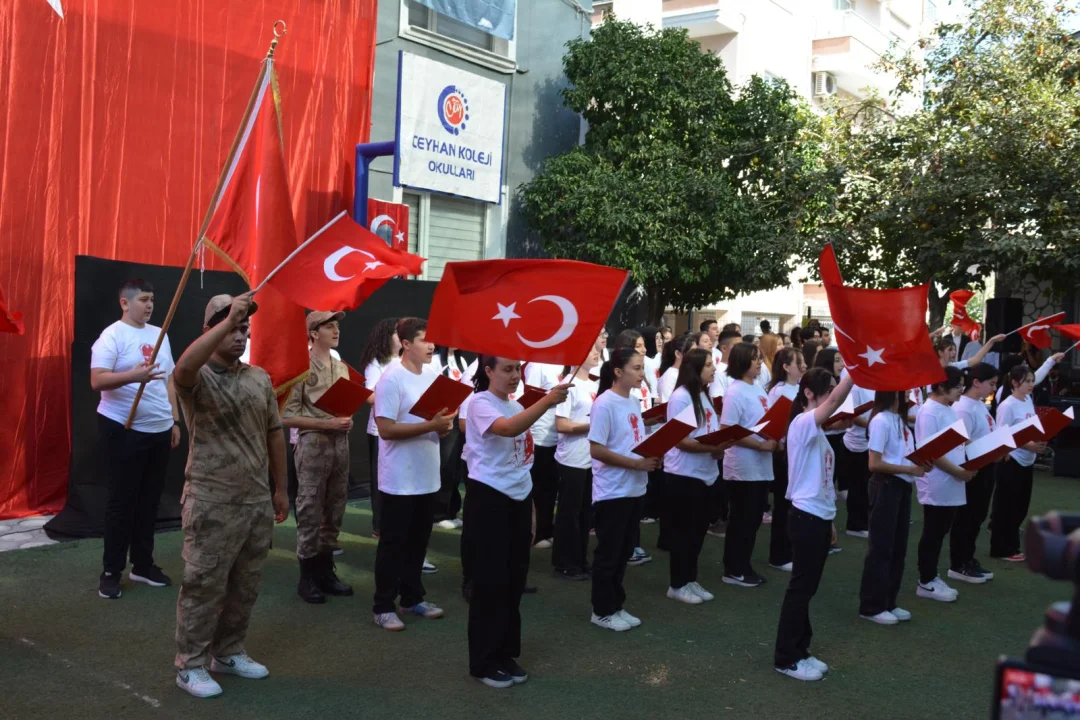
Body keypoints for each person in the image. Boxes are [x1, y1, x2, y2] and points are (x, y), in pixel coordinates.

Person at [173, 293, 289, 699]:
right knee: (203, 585)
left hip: (255, 501)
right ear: (212, 330)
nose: (241, 336)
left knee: (246, 584)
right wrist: (228, 320)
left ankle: (229, 652)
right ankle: (190, 665)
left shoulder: (258, 377)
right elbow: (183, 367)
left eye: (244, 330)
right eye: (233, 328)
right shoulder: (198, 377)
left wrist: (281, 488)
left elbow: (275, 431)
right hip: (212, 501)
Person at [464, 356, 569, 689]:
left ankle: (505, 653)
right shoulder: (480, 403)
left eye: (516, 370)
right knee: (490, 583)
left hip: (518, 501)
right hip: (489, 502)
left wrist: (532, 510)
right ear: (489, 371)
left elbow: (522, 465)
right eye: (506, 369)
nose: (513, 376)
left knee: (513, 581)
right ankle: (483, 662)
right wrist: (548, 400)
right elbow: (508, 430)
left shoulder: (514, 404)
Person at [91, 279, 180, 599]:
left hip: (159, 428)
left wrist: (174, 419)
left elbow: (169, 380)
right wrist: (134, 376)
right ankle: (111, 571)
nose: (150, 305)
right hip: (123, 429)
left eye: (152, 299)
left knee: (149, 501)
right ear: (125, 303)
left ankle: (142, 565)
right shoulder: (112, 336)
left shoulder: (160, 334)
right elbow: (97, 380)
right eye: (143, 299)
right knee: (121, 502)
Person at [773, 368, 854, 682]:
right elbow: (833, 404)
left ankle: (800, 649)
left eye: (836, 385)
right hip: (805, 517)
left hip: (818, 517)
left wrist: (831, 519)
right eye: (830, 387)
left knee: (807, 589)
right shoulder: (804, 423)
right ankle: (786, 657)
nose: (834, 392)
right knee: (800, 589)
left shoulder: (814, 429)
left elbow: (821, 481)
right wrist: (854, 373)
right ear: (809, 392)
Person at [371, 318, 452, 631]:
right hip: (399, 479)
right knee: (393, 544)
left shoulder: (432, 374)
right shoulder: (391, 378)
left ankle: (411, 598)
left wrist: (441, 427)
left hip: (427, 475)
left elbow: (437, 419)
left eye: (433, 340)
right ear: (405, 344)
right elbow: (386, 429)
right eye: (424, 339)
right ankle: (382, 606)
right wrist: (431, 426)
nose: (432, 345)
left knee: (419, 541)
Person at [281, 311, 354, 604]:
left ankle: (326, 572)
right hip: (313, 445)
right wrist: (327, 424)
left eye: (337, 326)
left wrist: (345, 419)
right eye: (329, 326)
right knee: (310, 509)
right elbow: (285, 416)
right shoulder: (300, 367)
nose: (336, 331)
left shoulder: (342, 367)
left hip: (340, 444)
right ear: (313, 333)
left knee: (335, 508)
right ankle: (307, 576)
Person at [588, 348, 662, 629]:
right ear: (618, 372)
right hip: (613, 491)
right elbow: (596, 449)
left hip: (634, 488)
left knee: (623, 552)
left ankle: (616, 605)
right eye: (636, 368)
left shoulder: (631, 401)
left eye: (642, 367)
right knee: (609, 554)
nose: (642, 374)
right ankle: (601, 611)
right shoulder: (604, 403)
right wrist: (636, 465)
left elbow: (633, 441)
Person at [664, 348, 731, 604]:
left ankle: (690, 579)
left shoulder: (703, 395)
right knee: (684, 533)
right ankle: (678, 584)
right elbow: (680, 441)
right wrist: (712, 448)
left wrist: (718, 449)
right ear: (695, 369)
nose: (714, 369)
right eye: (708, 365)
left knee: (698, 531)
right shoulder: (681, 398)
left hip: (706, 474)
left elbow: (708, 431)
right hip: (684, 475)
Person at [857, 391, 927, 625]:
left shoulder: (898, 419)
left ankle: (888, 601)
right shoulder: (880, 420)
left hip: (901, 487)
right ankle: (871, 605)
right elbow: (874, 463)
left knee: (897, 546)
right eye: (904, 392)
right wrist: (910, 470)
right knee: (881, 547)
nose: (908, 396)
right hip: (886, 486)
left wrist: (919, 463)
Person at [720, 342, 778, 588]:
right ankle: (734, 568)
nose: (759, 362)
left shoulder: (757, 388)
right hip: (743, 466)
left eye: (759, 358)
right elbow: (728, 430)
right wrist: (759, 445)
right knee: (742, 519)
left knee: (753, 519)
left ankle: (743, 565)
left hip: (761, 463)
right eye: (754, 358)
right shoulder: (735, 392)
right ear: (742, 361)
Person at [913, 365, 973, 603]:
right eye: (957, 386)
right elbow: (931, 453)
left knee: (941, 530)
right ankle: (926, 580)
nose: (961, 390)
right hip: (938, 481)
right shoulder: (929, 412)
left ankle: (932, 576)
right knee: (933, 531)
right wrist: (959, 471)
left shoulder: (948, 408)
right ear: (941, 386)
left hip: (953, 478)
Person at [948, 362, 1000, 583]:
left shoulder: (978, 404)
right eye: (991, 383)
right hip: (972, 467)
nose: (994, 389)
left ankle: (968, 559)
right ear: (976, 382)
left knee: (977, 515)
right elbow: (962, 441)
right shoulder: (963, 407)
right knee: (966, 517)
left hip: (986, 464)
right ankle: (959, 563)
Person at [991, 364, 1048, 562]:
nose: (1032, 384)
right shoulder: (1007, 405)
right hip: (1011, 460)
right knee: (1007, 505)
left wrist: (1039, 441)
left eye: (1033, 381)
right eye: (1027, 381)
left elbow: (1029, 428)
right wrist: (1028, 446)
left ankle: (1012, 545)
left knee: (1021, 506)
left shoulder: (1027, 400)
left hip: (1027, 461)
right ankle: (1001, 548)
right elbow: (1002, 435)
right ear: (1014, 383)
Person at [552, 351, 601, 581]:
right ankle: (564, 563)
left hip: (590, 458)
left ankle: (580, 559)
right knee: (569, 512)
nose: (597, 353)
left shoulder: (594, 384)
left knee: (585, 513)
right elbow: (561, 425)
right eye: (591, 349)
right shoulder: (567, 385)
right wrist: (593, 425)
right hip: (572, 458)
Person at [358, 318, 401, 539]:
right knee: (380, 480)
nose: (401, 336)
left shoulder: (407, 362)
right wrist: (397, 402)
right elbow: (370, 395)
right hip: (379, 430)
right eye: (397, 332)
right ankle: (380, 526)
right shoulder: (377, 363)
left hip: (403, 429)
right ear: (387, 337)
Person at [766, 347, 805, 572]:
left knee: (792, 503)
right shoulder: (779, 391)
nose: (802, 365)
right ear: (786, 367)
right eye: (797, 361)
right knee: (783, 503)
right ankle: (779, 555)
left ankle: (790, 550)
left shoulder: (799, 388)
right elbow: (775, 422)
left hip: (796, 450)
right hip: (784, 451)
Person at [524, 360, 565, 550]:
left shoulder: (564, 366)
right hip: (540, 434)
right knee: (539, 486)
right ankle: (537, 532)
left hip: (557, 436)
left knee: (551, 486)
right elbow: (530, 399)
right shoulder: (537, 365)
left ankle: (547, 528)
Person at [706, 329, 743, 536]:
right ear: (724, 348)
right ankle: (717, 518)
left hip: (739, 434)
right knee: (721, 479)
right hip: (725, 430)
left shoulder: (743, 373)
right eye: (736, 345)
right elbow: (718, 402)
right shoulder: (720, 372)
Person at [433, 347, 471, 529]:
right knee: (445, 465)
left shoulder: (461, 361)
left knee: (456, 467)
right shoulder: (434, 360)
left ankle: (452, 510)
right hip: (443, 419)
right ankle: (439, 513)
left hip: (459, 418)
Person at [841, 375, 875, 538]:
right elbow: (851, 415)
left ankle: (864, 521)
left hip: (870, 441)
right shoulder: (856, 386)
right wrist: (874, 424)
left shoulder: (875, 383)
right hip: (855, 443)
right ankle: (855, 525)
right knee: (858, 486)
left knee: (867, 485)